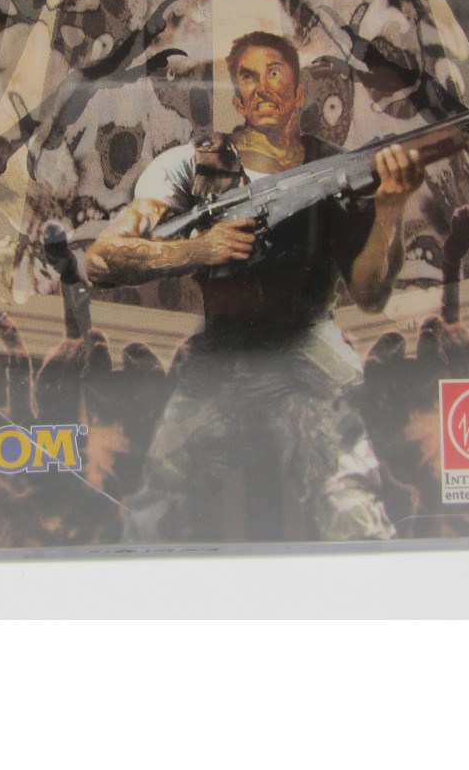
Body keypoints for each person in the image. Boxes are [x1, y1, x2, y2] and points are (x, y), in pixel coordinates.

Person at [86, 31, 425, 542]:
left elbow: (371, 292)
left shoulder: (337, 169)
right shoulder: (190, 165)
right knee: (157, 513)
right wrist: (196, 250)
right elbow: (101, 258)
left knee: (353, 510)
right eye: (248, 76)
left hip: (310, 352)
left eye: (275, 73)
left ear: (299, 92)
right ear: (238, 98)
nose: (262, 86)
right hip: (224, 354)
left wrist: (391, 209)